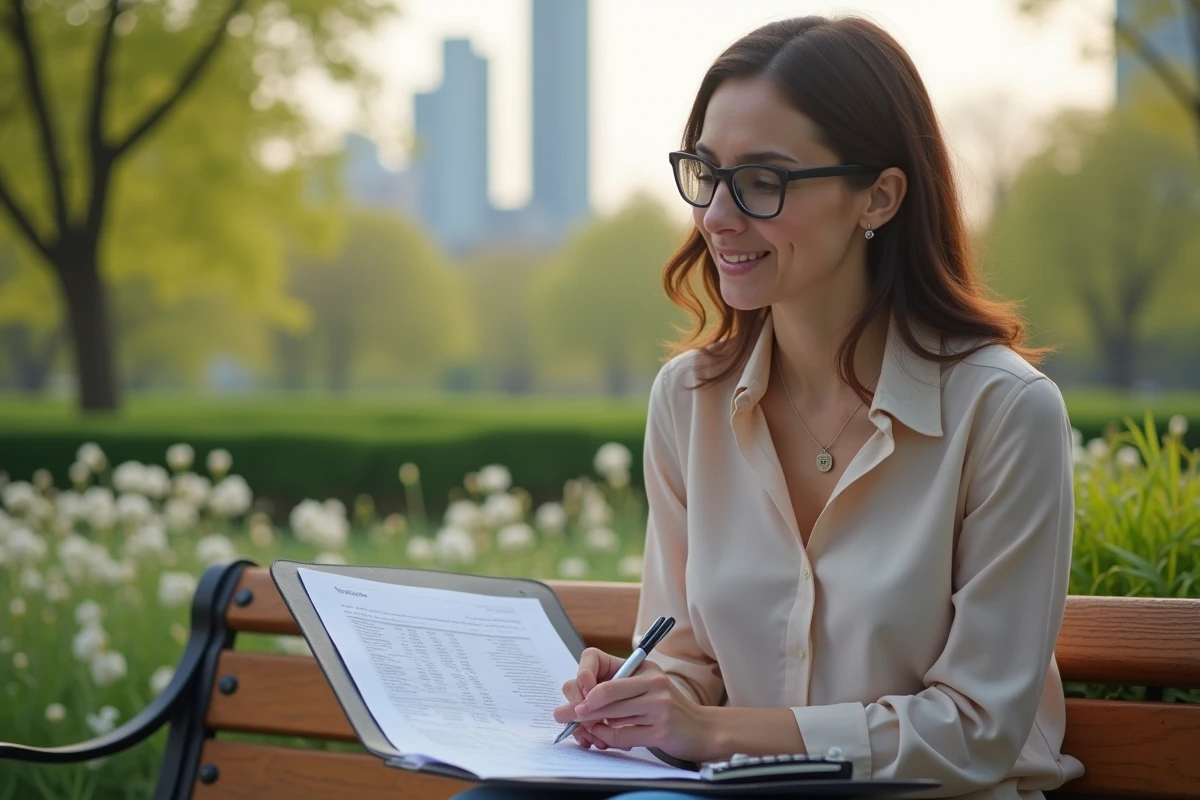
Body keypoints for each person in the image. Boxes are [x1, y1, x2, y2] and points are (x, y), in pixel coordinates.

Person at [454, 12, 1084, 800]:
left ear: (879, 198)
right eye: (706, 173)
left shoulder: (1005, 413)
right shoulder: (689, 400)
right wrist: (643, 694)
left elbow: (975, 729)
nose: (718, 216)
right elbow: (688, 658)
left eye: (762, 181)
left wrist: (714, 733)